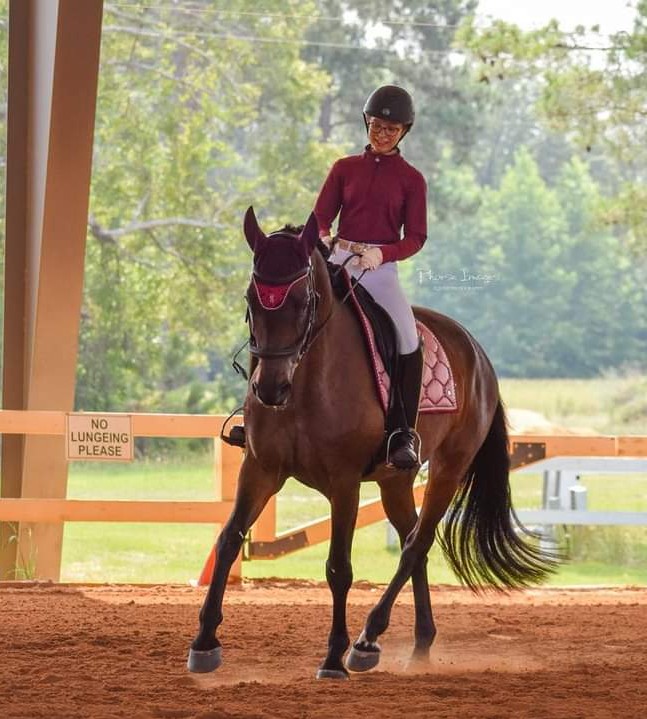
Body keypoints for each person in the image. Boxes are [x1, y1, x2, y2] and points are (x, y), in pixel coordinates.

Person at [314, 84, 426, 470]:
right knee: (292, 314)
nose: (382, 134)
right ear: (367, 123)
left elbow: (416, 237)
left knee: (408, 339)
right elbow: (320, 217)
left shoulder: (412, 180)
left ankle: (402, 433)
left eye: (391, 130)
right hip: (339, 260)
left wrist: (384, 252)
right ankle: (261, 412)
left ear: (404, 132)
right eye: (377, 126)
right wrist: (325, 239)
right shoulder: (344, 168)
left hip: (379, 268)